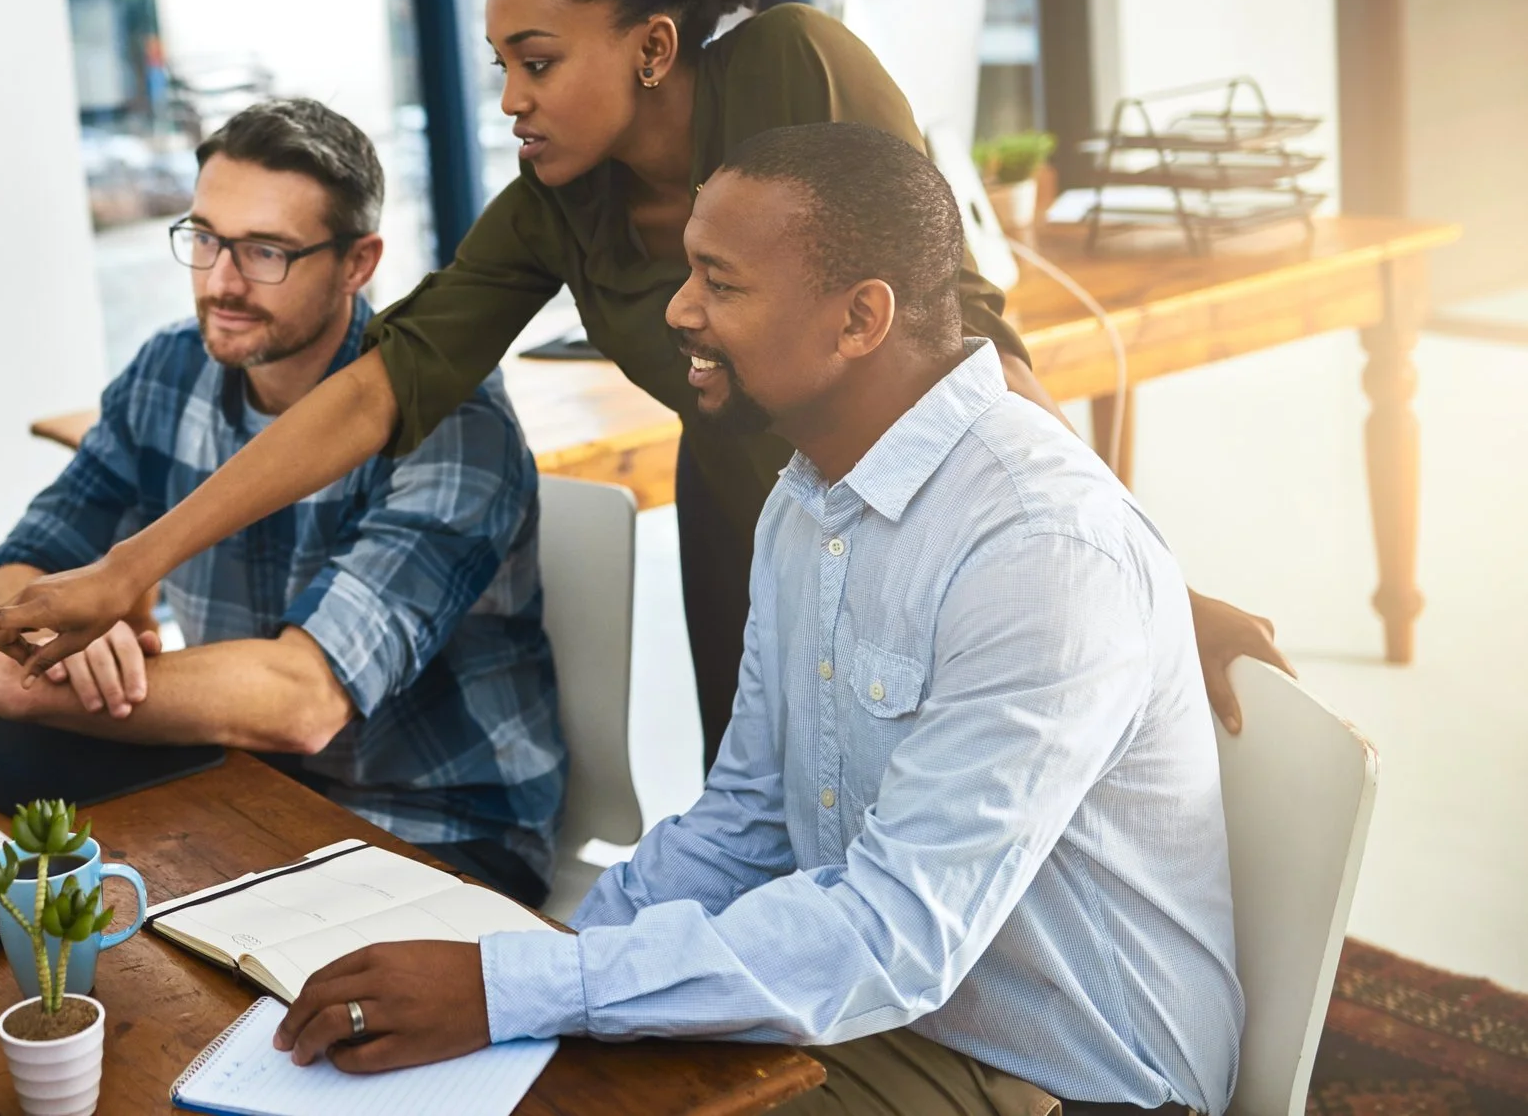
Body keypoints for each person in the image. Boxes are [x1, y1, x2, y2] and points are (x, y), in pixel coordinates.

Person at [0, 0, 1287, 766]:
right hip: (753, 524)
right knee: (773, 837)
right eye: (499, 67)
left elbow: (972, 352)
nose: (512, 98)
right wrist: (126, 565)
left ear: (652, 46)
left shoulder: (790, 73)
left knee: (963, 830)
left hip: (932, 514)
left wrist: (1143, 578)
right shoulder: (553, 209)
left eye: (536, 60)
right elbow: (375, 391)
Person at [269, 123, 1241, 1116]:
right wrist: (545, 963)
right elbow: (748, 821)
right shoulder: (807, 498)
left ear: (860, 318)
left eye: (720, 284)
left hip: (1070, 1080)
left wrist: (516, 991)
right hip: (874, 1012)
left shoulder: (1039, 550)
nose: (679, 311)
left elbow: (895, 932)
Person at [0, 99, 565, 906]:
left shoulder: (451, 421)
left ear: (359, 264)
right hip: (229, 785)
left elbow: (302, 699)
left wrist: (23, 685)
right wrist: (44, 631)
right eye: (206, 238)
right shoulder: (171, 369)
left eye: (266, 252)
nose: (220, 281)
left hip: (433, 831)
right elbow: (32, 552)